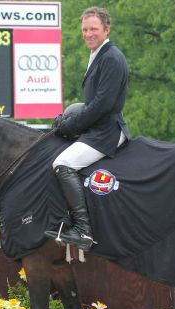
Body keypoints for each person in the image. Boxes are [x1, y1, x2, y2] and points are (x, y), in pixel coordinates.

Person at [45, 6, 130, 250]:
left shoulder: (112, 58)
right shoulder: (98, 54)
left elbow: (102, 105)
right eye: (84, 29)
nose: (88, 34)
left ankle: (83, 230)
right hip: (96, 129)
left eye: (93, 29)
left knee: (62, 164)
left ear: (106, 29)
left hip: (107, 132)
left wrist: (70, 126)